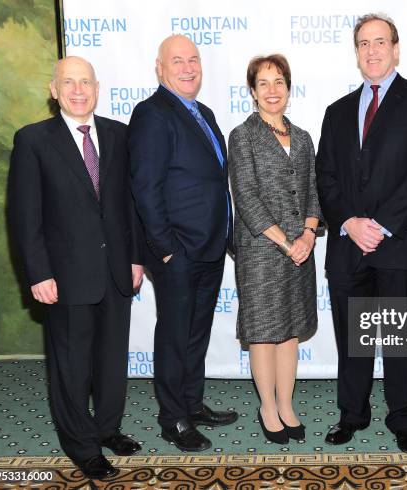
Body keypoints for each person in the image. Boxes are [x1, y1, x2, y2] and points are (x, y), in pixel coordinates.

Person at [8, 56, 144, 481]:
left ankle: (107, 428)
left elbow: (129, 205)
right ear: (54, 89)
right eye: (69, 82)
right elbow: (24, 216)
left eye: (85, 82)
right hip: (63, 277)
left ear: (97, 87)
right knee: (71, 365)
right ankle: (81, 445)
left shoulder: (119, 136)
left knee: (109, 360)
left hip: (117, 272)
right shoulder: (33, 140)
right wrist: (38, 272)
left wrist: (137, 257)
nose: (78, 89)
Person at [315, 13, 407, 453]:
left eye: (380, 42)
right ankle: (351, 414)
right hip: (348, 246)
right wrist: (350, 222)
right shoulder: (335, 112)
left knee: (401, 341)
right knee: (352, 340)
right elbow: (325, 177)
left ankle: (403, 419)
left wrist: (382, 225)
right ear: (356, 53)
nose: (372, 50)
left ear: (395, 48)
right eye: (364, 43)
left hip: (400, 243)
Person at [128, 34, 238, 453]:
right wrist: (166, 248)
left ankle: (192, 404)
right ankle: (172, 418)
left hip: (210, 247)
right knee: (175, 336)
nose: (188, 67)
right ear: (160, 68)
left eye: (193, 59)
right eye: (177, 60)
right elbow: (146, 187)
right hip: (177, 252)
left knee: (196, 334)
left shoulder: (203, 112)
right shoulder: (152, 114)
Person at [228, 54, 321, 444]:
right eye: (263, 83)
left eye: (278, 81)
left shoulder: (302, 136)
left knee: (290, 333)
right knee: (264, 333)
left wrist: (309, 235)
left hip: (300, 250)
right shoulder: (242, 135)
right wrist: (288, 243)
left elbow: (314, 192)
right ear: (252, 91)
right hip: (261, 251)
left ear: (288, 87)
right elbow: (246, 198)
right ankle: (268, 406)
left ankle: (287, 404)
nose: (272, 90)